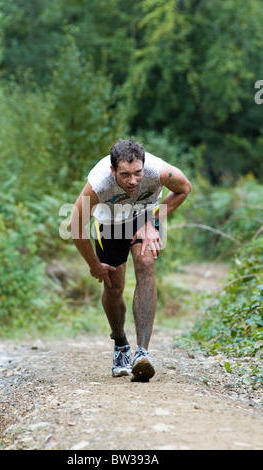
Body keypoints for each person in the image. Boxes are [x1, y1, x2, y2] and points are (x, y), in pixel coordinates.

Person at [69, 138, 191, 382]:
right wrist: (93, 264)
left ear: (144, 167)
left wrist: (154, 221)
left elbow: (184, 188)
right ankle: (120, 344)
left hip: (144, 216)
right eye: (125, 175)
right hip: (109, 223)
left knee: (146, 265)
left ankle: (142, 353)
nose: (133, 181)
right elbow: (75, 225)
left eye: (137, 173)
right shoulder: (99, 182)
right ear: (113, 170)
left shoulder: (160, 172)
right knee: (114, 287)